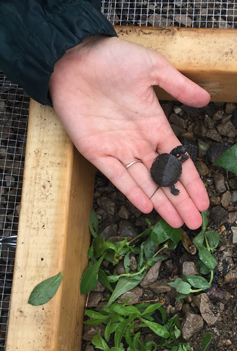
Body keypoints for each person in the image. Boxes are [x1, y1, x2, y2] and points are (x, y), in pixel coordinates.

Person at [0, 0, 211, 229]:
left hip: (162, 168)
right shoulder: (173, 160)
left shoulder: (171, 159)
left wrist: (71, 43)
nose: (182, 151)